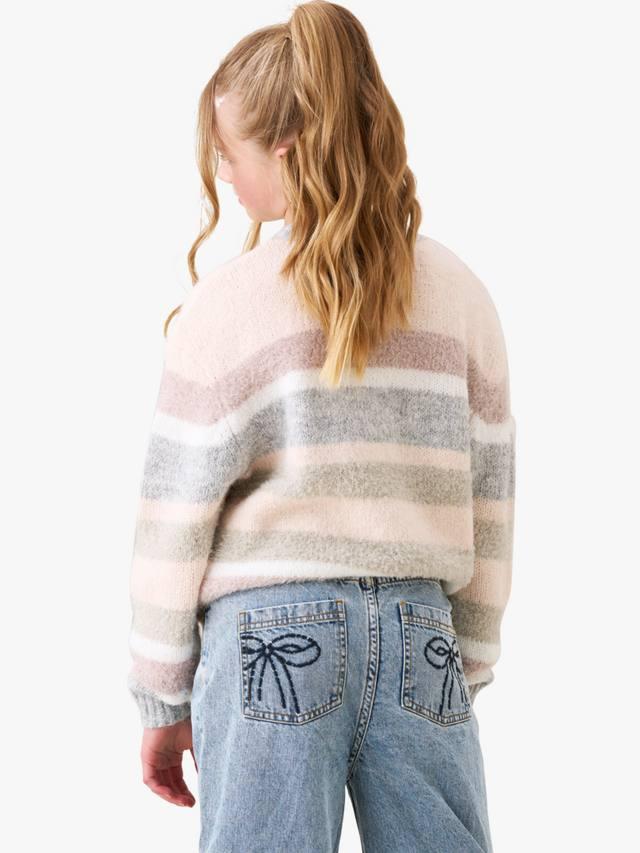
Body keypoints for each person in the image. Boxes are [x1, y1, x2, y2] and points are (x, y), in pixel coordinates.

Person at [127, 2, 516, 851]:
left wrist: (161, 694)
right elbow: (489, 497)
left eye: (227, 155)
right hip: (420, 629)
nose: (224, 177)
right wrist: (466, 658)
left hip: (270, 634)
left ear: (285, 148)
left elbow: (174, 518)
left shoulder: (225, 306)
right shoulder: (460, 295)